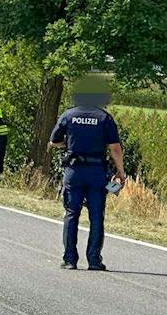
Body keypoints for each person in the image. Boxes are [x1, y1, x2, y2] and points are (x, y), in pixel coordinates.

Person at [49, 95, 128, 271]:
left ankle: (69, 259)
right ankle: (94, 260)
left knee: (71, 213)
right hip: (96, 172)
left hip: (74, 172)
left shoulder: (68, 115)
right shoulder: (104, 117)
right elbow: (115, 148)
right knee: (96, 216)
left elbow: (53, 141)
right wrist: (120, 172)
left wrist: (69, 144)